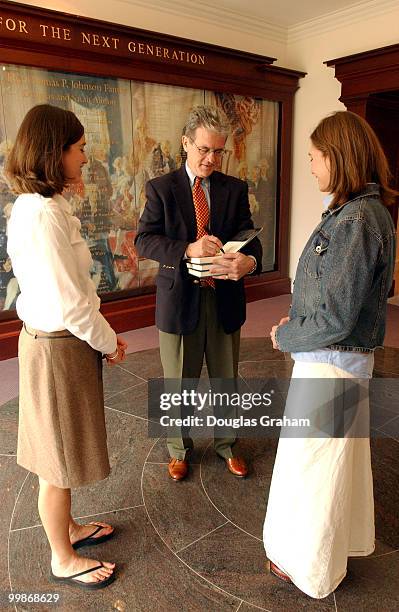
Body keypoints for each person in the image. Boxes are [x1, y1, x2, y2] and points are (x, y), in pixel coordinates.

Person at [263, 111, 396, 598]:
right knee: (330, 465)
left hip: (332, 363)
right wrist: (295, 325)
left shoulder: (358, 219)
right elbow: (330, 304)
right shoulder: (355, 213)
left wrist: (285, 336)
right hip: (331, 358)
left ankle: (312, 568)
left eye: (316, 158)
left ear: (337, 158)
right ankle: (327, 555)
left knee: (315, 471)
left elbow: (337, 319)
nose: (312, 167)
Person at [6, 104, 128, 589]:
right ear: (54, 153)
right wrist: (109, 341)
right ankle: (62, 556)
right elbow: (72, 305)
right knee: (55, 461)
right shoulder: (43, 217)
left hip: (57, 344)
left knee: (62, 449)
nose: (84, 158)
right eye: (79, 149)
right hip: (59, 346)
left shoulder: (38, 207)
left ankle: (70, 529)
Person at [135, 105, 262, 481]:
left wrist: (249, 264)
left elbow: (250, 239)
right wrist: (187, 249)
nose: (211, 158)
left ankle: (227, 445)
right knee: (179, 384)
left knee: (226, 380)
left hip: (223, 299)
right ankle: (178, 448)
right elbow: (144, 240)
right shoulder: (161, 189)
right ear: (186, 143)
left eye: (218, 151)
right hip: (180, 300)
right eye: (205, 149)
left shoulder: (234, 189)